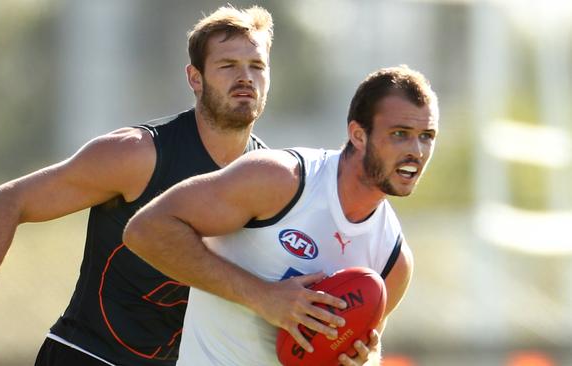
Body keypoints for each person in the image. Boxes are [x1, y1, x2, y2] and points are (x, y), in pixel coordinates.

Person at [0, 5, 283, 366]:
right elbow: (8, 200)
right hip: (86, 356)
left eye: (257, 66)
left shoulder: (273, 180)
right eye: (228, 66)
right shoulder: (137, 155)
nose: (245, 78)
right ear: (195, 78)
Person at [123, 65, 439, 366]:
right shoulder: (280, 180)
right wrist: (264, 298)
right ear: (358, 135)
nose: (417, 151)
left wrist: (359, 359)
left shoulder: (393, 260)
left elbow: (362, 350)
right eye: (400, 133)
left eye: (427, 136)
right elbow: (146, 230)